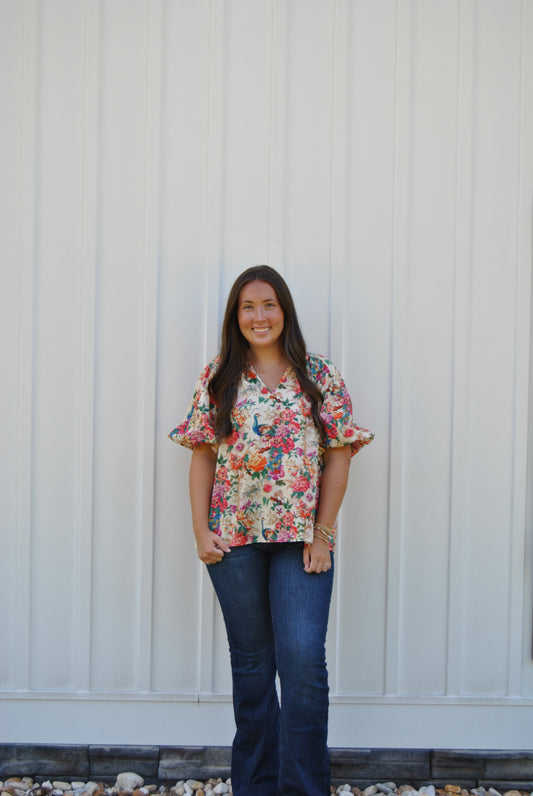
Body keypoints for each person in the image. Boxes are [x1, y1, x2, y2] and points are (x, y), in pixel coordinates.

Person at [169, 265, 373, 796]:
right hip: (232, 540)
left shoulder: (318, 374)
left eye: (269, 305)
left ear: (285, 311)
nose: (259, 316)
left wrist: (323, 533)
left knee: (303, 664)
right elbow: (201, 457)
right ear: (236, 317)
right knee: (254, 666)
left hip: (301, 542)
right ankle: (255, 788)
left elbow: (340, 454)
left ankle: (304, 789)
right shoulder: (218, 376)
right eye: (247, 307)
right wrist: (200, 532)